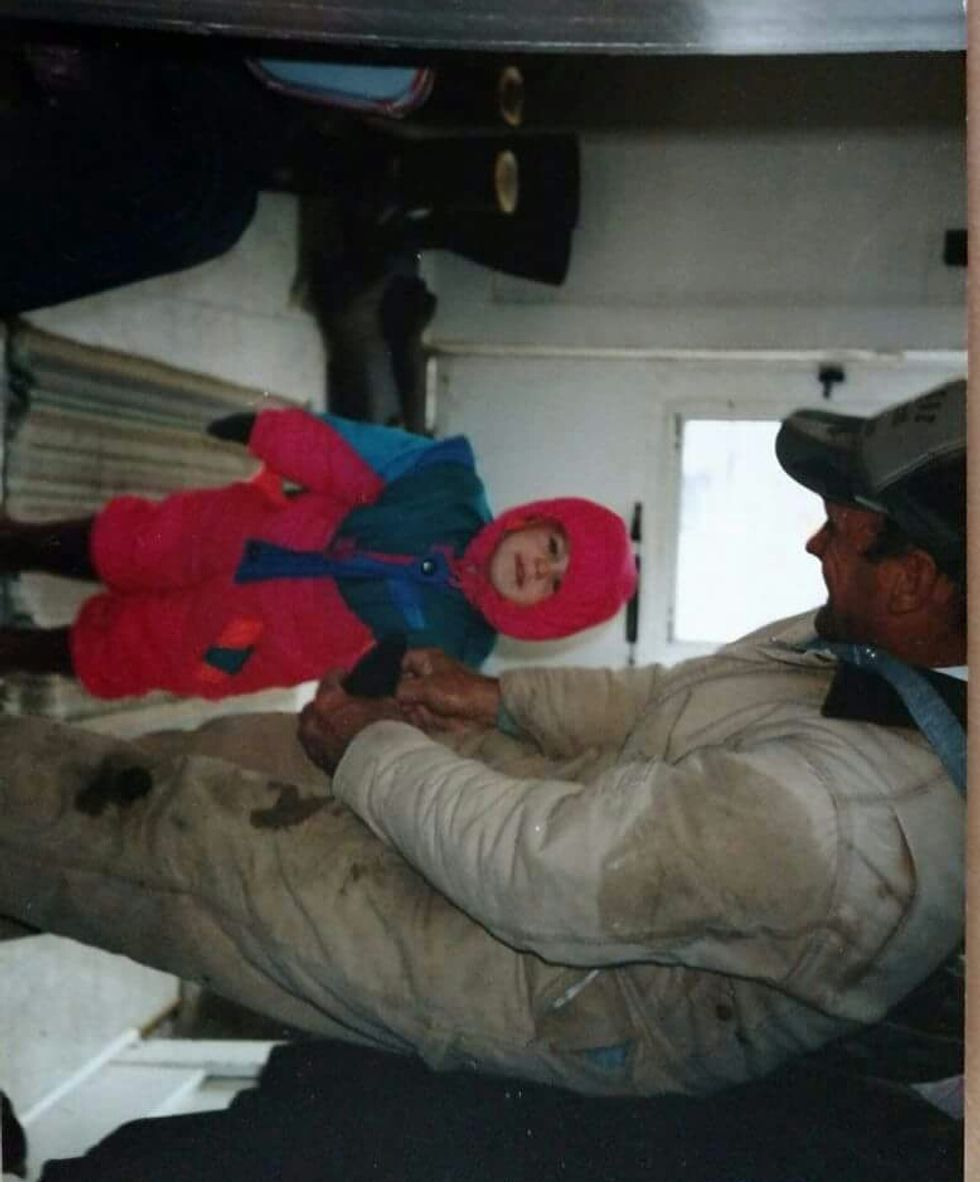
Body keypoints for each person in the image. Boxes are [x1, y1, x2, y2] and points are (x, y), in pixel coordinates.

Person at [0, 379, 965, 1099]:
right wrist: (497, 701)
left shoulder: (842, 821)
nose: (816, 542)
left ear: (915, 577)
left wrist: (370, 748)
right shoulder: (860, 640)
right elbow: (674, 697)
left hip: (534, 963)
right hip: (570, 810)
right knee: (213, 758)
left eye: (845, 525)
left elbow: (551, 874)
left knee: (169, 832)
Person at [0, 406, 635, 699]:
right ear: (537, 519)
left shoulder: (459, 652)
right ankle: (18, 542)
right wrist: (272, 432)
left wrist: (371, 688)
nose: (539, 567)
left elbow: (382, 704)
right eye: (553, 547)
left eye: (555, 584)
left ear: (546, 618)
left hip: (252, 640)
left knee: (142, 651)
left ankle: (17, 651)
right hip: (253, 530)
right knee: (136, 540)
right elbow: (352, 454)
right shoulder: (449, 483)